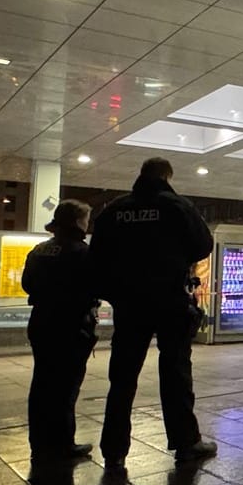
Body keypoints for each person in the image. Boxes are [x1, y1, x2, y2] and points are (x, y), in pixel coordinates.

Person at [89, 157, 217, 469]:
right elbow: (203, 245)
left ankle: (113, 449)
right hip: (169, 299)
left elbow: (97, 256)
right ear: (167, 176)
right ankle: (186, 442)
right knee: (175, 371)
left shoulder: (116, 210)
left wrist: (114, 290)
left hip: (130, 302)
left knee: (122, 376)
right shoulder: (176, 206)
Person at [21, 199, 99, 466]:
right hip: (71, 326)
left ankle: (39, 443)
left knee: (41, 383)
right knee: (66, 387)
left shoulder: (40, 250)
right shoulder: (82, 252)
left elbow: (27, 284)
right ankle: (63, 443)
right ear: (78, 221)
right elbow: (94, 287)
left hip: (41, 322)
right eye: (86, 220)